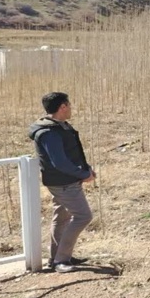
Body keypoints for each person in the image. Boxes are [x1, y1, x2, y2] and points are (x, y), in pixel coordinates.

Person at [28, 92, 95, 273]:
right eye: (69, 105)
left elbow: (71, 153)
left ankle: (56, 257)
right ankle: (61, 260)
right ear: (63, 107)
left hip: (64, 180)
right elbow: (60, 162)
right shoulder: (49, 132)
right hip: (63, 182)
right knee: (83, 216)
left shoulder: (58, 126)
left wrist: (86, 168)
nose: (71, 108)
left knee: (62, 217)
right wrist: (83, 174)